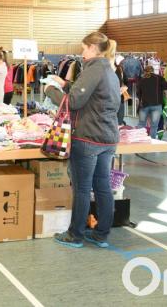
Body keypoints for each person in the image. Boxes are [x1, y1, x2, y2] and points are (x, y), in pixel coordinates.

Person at [49, 32, 120, 249]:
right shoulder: (110, 70)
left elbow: (74, 102)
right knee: (103, 187)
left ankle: (75, 234)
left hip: (88, 137)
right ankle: (101, 234)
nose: (82, 52)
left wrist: (51, 90)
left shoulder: (95, 69)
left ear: (92, 48)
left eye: (83, 48)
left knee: (82, 188)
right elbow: (92, 97)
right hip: (107, 138)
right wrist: (65, 84)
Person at [136, 64, 167, 139]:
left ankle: (138, 141)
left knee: (141, 124)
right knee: (154, 125)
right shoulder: (159, 78)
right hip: (156, 105)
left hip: (144, 105)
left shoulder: (141, 80)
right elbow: (165, 86)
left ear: (145, 72)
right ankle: (152, 141)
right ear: (153, 71)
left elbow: (138, 93)